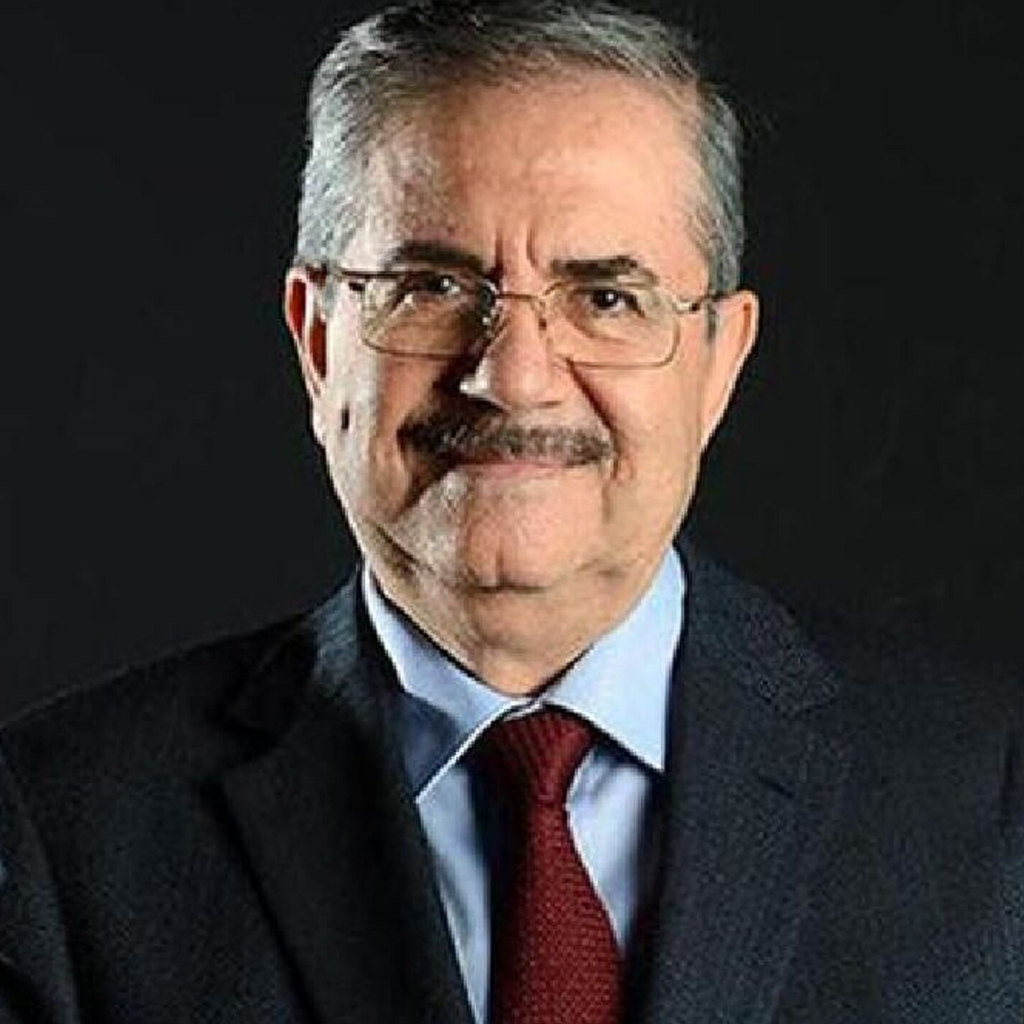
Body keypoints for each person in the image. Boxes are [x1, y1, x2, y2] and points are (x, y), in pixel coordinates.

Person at [1, 1, 1022, 1022]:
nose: (513, 378)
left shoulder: (994, 800)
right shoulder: (59, 835)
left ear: (718, 361)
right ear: (318, 345)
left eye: (605, 298)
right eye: (432, 286)